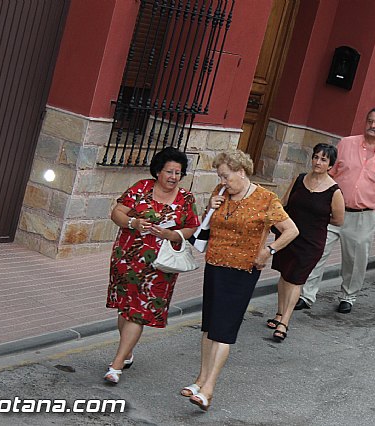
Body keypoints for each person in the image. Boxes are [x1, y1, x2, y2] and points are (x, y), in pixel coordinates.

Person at [181, 150, 298, 411]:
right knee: (209, 326)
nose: (223, 181)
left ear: (241, 172)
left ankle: (209, 389)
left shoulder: (266, 199)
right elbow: (206, 228)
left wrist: (269, 250)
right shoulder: (220, 193)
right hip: (214, 266)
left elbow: (291, 230)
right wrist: (209, 208)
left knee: (224, 329)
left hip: (242, 271)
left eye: (226, 176)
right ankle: (200, 379)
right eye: (220, 176)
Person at [105, 147, 201, 384]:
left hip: (160, 266)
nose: (173, 177)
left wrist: (171, 234)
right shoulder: (141, 188)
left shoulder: (186, 198)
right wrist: (133, 222)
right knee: (125, 308)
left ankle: (116, 364)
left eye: (178, 173)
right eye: (169, 171)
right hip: (127, 258)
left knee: (139, 311)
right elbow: (116, 212)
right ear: (158, 171)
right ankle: (126, 352)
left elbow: (192, 227)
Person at [294, 108, 375, 314]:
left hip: (362, 217)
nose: (373, 126)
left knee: (356, 261)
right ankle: (307, 295)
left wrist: (367, 201)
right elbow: (330, 173)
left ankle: (348, 296)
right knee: (318, 252)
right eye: (370, 121)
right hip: (332, 212)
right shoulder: (346, 144)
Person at [267, 144, 345, 341]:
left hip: (311, 242)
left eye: (324, 159)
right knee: (285, 275)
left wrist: (315, 221)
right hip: (288, 236)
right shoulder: (300, 179)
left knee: (296, 279)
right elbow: (284, 203)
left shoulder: (334, 191)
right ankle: (279, 313)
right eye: (316, 157)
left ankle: (284, 322)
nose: (318, 162)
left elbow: (338, 219)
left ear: (330, 165)